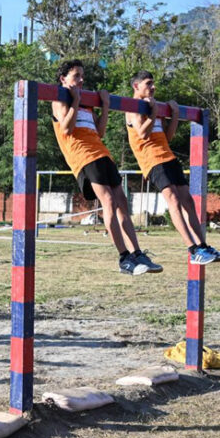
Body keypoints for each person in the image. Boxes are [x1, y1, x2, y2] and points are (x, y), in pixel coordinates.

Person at [51, 59, 162, 276]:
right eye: (76, 76)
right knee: (109, 201)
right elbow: (66, 129)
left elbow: (100, 132)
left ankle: (137, 253)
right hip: (83, 156)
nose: (81, 80)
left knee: (122, 202)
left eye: (82, 76)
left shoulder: (85, 102)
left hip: (102, 153)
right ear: (63, 79)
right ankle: (124, 258)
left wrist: (105, 106)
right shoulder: (60, 98)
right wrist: (75, 101)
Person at [126, 71, 220, 265]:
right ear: (136, 86)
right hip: (152, 160)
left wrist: (173, 115)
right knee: (173, 199)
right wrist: (154, 112)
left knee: (187, 201)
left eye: (153, 83)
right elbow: (142, 134)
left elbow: (167, 137)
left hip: (168, 156)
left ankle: (203, 245)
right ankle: (193, 250)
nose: (153, 87)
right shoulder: (134, 107)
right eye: (148, 83)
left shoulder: (154, 105)